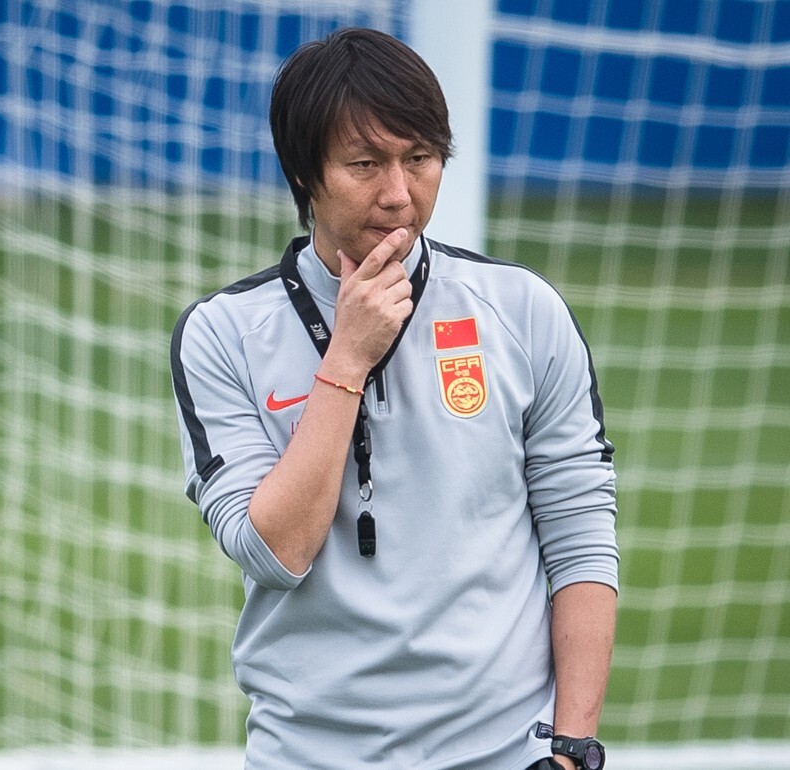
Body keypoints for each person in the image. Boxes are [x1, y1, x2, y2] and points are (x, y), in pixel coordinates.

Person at [170, 27, 618, 770]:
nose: (399, 194)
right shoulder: (222, 335)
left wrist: (572, 749)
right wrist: (346, 356)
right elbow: (276, 551)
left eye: (421, 158)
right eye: (364, 163)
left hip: (511, 754)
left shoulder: (523, 310)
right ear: (303, 172)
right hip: (310, 755)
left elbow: (579, 534)